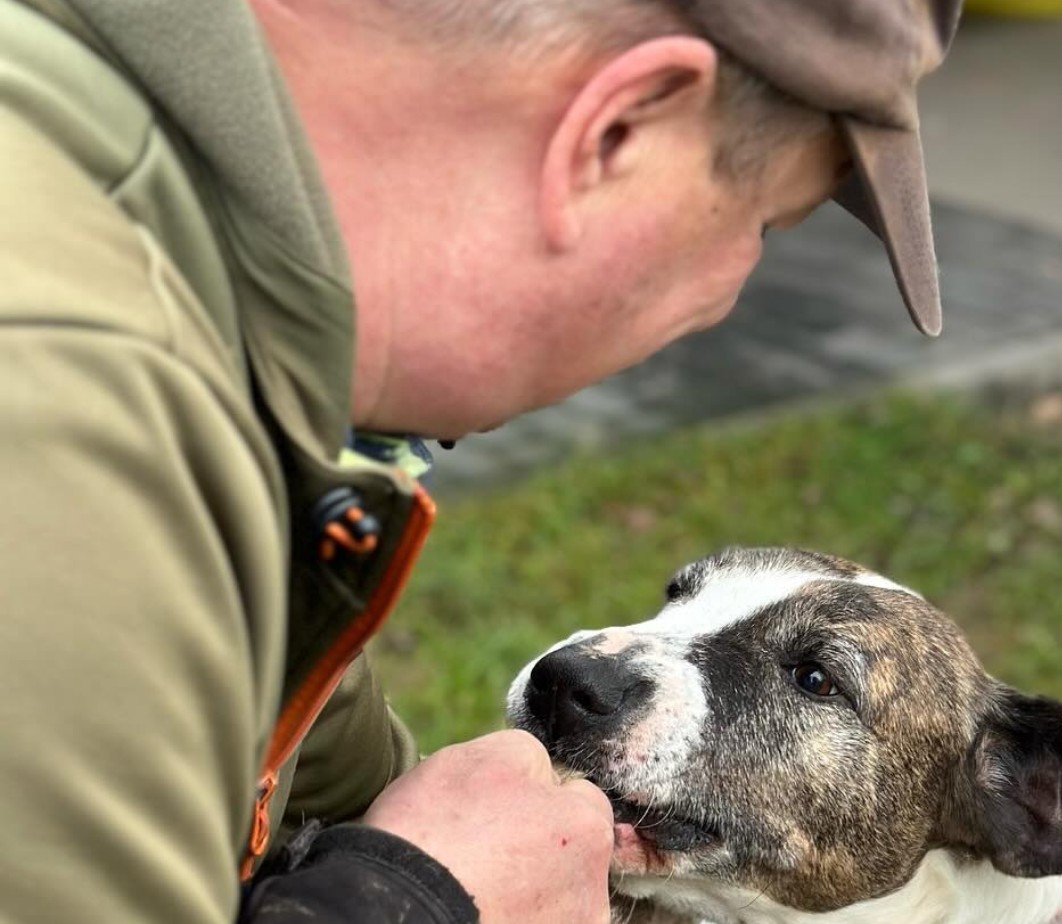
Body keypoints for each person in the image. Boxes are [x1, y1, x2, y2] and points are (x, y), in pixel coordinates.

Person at [0, 0, 961, 921]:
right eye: (759, 223)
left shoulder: (196, 314)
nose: (721, 299)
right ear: (616, 131)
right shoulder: (80, 426)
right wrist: (424, 900)